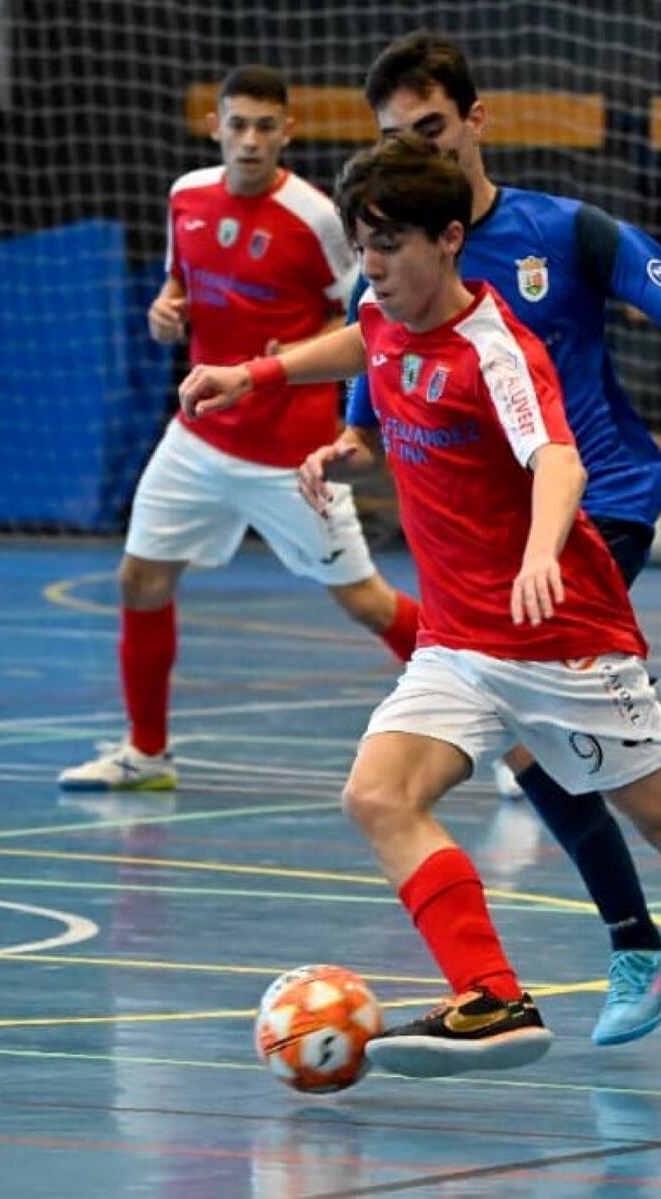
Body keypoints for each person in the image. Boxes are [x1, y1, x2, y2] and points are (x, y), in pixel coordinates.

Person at [178, 135, 661, 1086]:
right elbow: (360, 345)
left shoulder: (497, 348)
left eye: (390, 245)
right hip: (459, 642)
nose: (371, 266)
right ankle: (492, 996)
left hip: (561, 636)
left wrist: (544, 550)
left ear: (451, 240)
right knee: (378, 795)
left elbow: (558, 457)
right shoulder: (384, 314)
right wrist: (251, 376)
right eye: (362, 243)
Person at [337, 31, 661, 1046]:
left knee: (543, 732)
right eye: (397, 138)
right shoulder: (394, 263)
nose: (419, 153)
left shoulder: (562, 232)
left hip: (594, 499)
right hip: (491, 535)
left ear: (475, 124)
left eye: (432, 131)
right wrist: (344, 443)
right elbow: (370, 384)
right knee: (603, 757)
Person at [59, 65, 421, 791]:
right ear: (215, 128)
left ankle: (514, 740)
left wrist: (299, 353)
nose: (250, 140)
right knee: (140, 580)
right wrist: (165, 310)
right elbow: (179, 284)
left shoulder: (317, 217)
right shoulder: (185, 196)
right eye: (238, 124)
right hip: (197, 438)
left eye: (265, 126)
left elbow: (360, 312)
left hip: (290, 454)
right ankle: (147, 754)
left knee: (366, 601)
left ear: (287, 132)